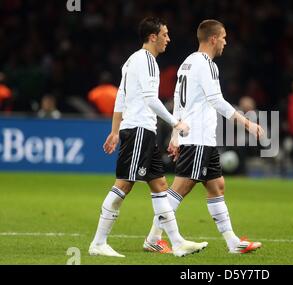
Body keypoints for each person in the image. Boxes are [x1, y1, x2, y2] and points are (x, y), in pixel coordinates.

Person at [89, 17, 208, 258]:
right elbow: (150, 100)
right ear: (153, 37)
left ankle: (175, 242)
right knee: (124, 184)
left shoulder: (131, 60)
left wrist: (114, 131)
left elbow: (121, 97)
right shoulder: (149, 62)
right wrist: (176, 122)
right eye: (165, 34)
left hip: (140, 130)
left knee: (160, 185)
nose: (168, 39)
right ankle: (99, 243)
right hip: (139, 130)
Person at [144, 19, 264, 254]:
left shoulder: (187, 63)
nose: (225, 42)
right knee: (181, 188)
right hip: (197, 136)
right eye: (224, 37)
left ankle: (233, 242)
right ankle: (153, 237)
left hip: (201, 138)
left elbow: (178, 98)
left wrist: (175, 134)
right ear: (213, 39)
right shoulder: (208, 64)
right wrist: (246, 121)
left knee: (217, 186)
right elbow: (216, 100)